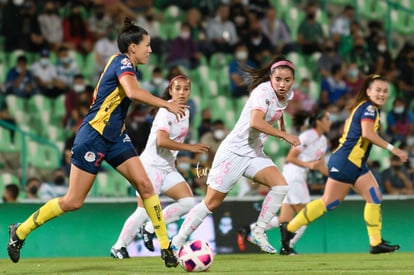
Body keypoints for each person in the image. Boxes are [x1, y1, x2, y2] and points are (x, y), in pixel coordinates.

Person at [7, 17, 187, 268]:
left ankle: (166, 247)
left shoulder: (133, 68)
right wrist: (166, 103)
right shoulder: (121, 61)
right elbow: (133, 93)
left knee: (146, 186)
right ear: (132, 47)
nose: (150, 49)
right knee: (73, 201)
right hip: (93, 136)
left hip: (116, 137)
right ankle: (20, 231)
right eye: (147, 44)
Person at [170, 56, 301, 255]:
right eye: (278, 80)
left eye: (287, 80)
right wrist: (284, 134)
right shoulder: (262, 92)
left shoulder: (287, 94)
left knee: (281, 185)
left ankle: (258, 230)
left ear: (293, 80)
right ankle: (176, 242)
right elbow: (255, 122)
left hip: (254, 152)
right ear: (270, 78)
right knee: (211, 203)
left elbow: (278, 110)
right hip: (234, 152)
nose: (282, 84)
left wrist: (281, 124)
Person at [280, 74, 408, 255]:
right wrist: (394, 149)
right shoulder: (369, 108)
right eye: (378, 90)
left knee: (374, 196)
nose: (382, 94)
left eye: (385, 91)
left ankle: (376, 242)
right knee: (329, 202)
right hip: (346, 162)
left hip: (356, 164)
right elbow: (367, 134)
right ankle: (290, 228)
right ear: (368, 91)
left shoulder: (365, 107)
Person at [110, 74, 209, 258]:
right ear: (170, 91)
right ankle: (118, 247)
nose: (181, 92)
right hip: (149, 167)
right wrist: (190, 147)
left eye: (185, 89)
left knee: (188, 202)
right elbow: (162, 141)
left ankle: (148, 228)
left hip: (167, 168)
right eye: (177, 88)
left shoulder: (186, 111)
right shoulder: (166, 111)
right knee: (143, 210)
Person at [270, 109, 331, 255]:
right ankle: (287, 246)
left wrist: (335, 178)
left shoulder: (323, 141)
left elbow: (320, 165)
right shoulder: (306, 136)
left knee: (284, 218)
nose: (331, 122)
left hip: (298, 176)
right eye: (327, 119)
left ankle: (251, 229)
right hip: (293, 175)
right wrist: (309, 165)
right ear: (318, 122)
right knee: (305, 215)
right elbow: (290, 158)